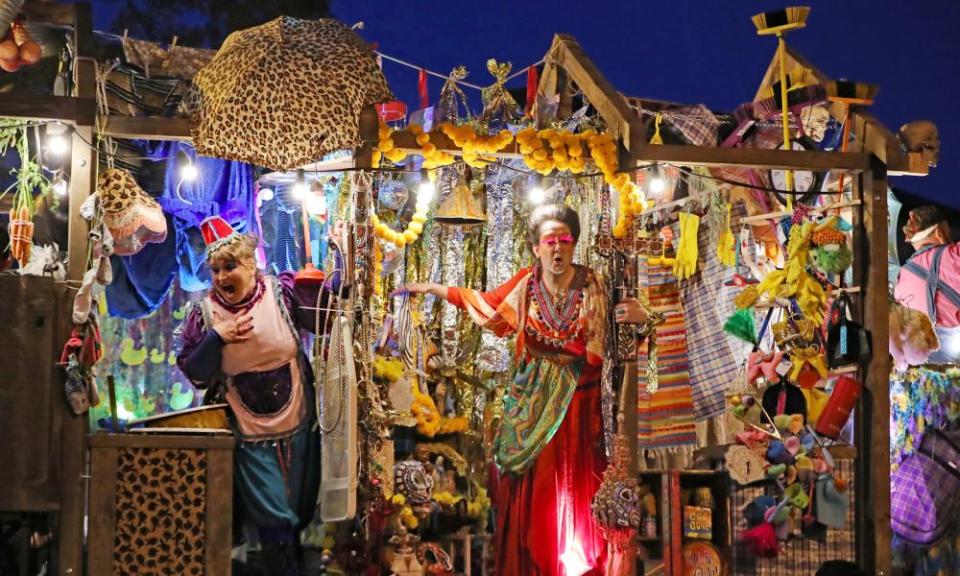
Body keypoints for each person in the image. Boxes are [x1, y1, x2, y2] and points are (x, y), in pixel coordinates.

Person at [395, 204, 647, 576]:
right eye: (550, 241)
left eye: (565, 240)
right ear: (536, 248)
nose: (557, 249)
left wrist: (642, 319)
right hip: (534, 412)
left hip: (583, 408)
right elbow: (484, 304)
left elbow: (628, 336)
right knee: (541, 497)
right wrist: (432, 288)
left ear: (574, 244)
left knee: (582, 496)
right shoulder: (526, 286)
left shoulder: (595, 284)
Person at [177, 216, 330, 575]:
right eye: (215, 270)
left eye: (229, 267)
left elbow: (324, 321)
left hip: (299, 421)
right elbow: (196, 373)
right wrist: (218, 337)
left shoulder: (282, 292)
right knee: (273, 513)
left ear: (251, 263)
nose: (221, 278)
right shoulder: (205, 315)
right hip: (248, 432)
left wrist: (326, 285)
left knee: (300, 509)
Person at [894, 205, 960, 363]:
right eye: (948, 232)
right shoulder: (955, 255)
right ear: (939, 233)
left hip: (939, 363)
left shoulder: (899, 288)